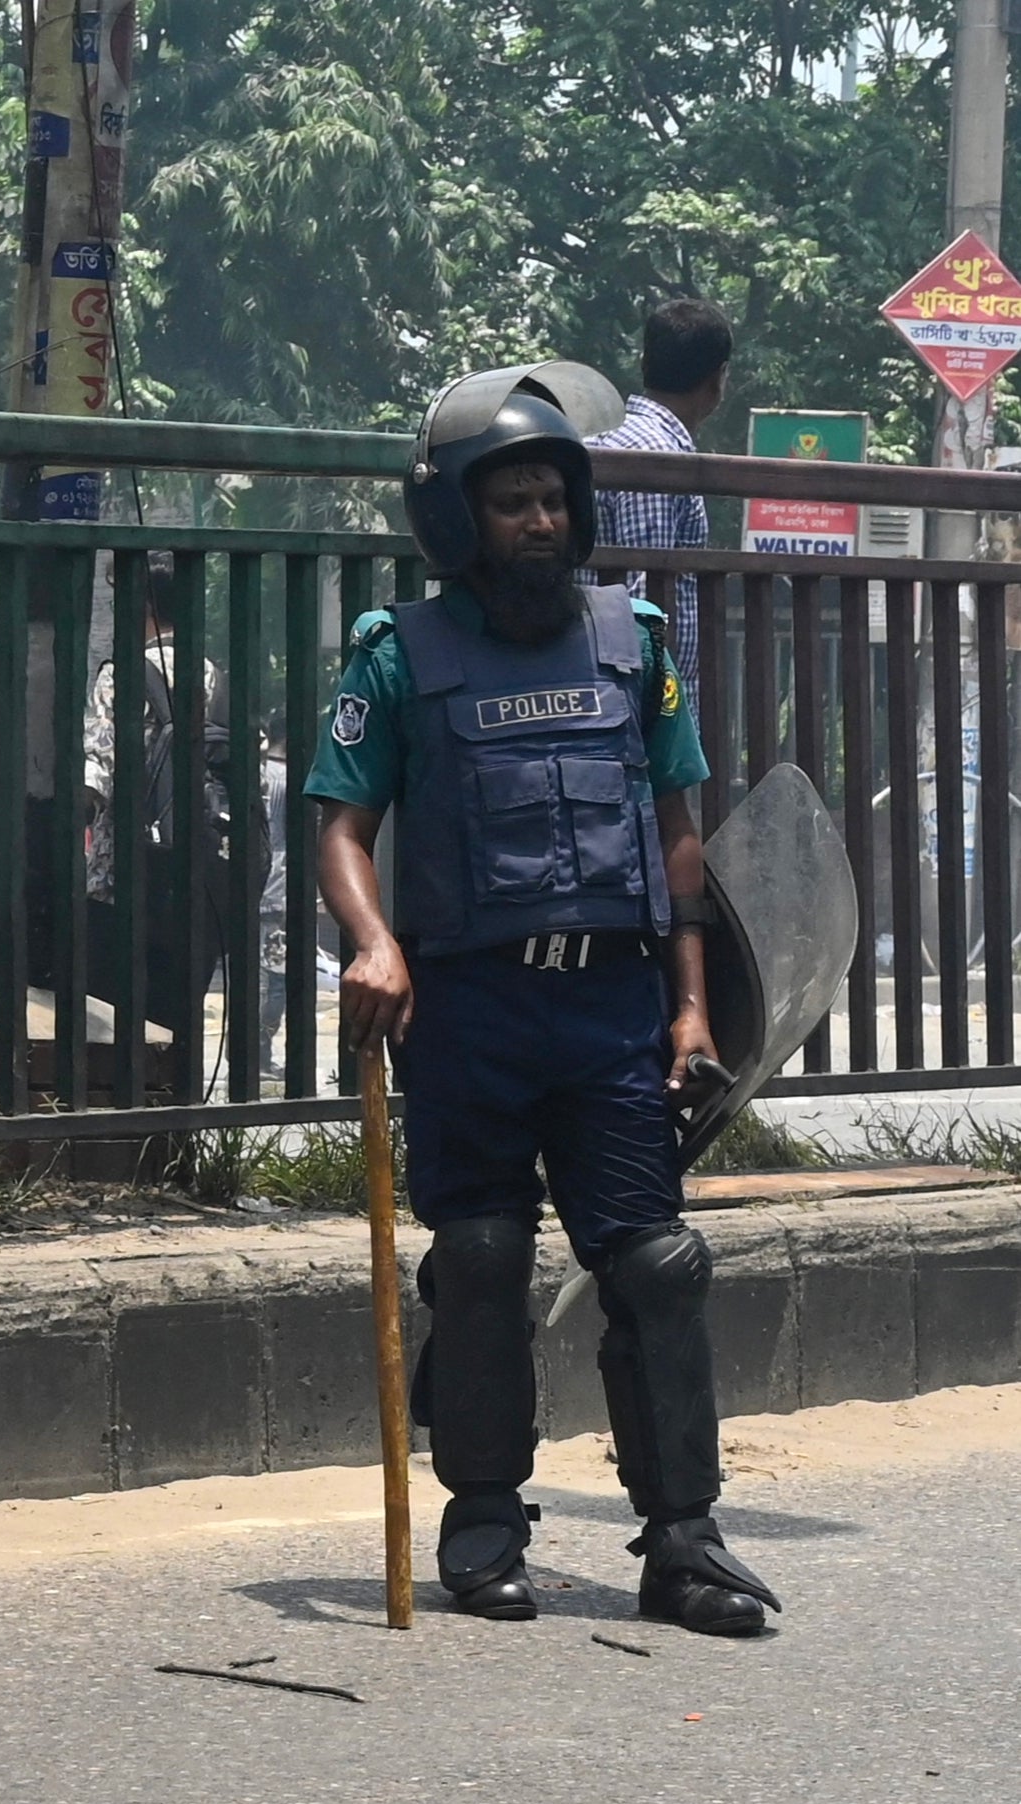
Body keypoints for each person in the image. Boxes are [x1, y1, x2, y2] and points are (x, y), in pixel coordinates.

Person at [305, 361, 780, 1638]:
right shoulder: (397, 653)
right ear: (459, 520)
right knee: (482, 1253)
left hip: (613, 1009)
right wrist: (372, 942)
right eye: (511, 501)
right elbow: (343, 827)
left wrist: (691, 1006)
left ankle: (684, 1540)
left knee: (658, 1262)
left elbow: (678, 841)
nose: (540, 523)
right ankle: (484, 1519)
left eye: (553, 499)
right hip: (468, 1013)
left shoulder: (639, 644)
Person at [586, 295, 733, 724]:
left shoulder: (607, 438)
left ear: (645, 362)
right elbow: (645, 598)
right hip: (637, 703)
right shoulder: (658, 458)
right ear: (718, 380)